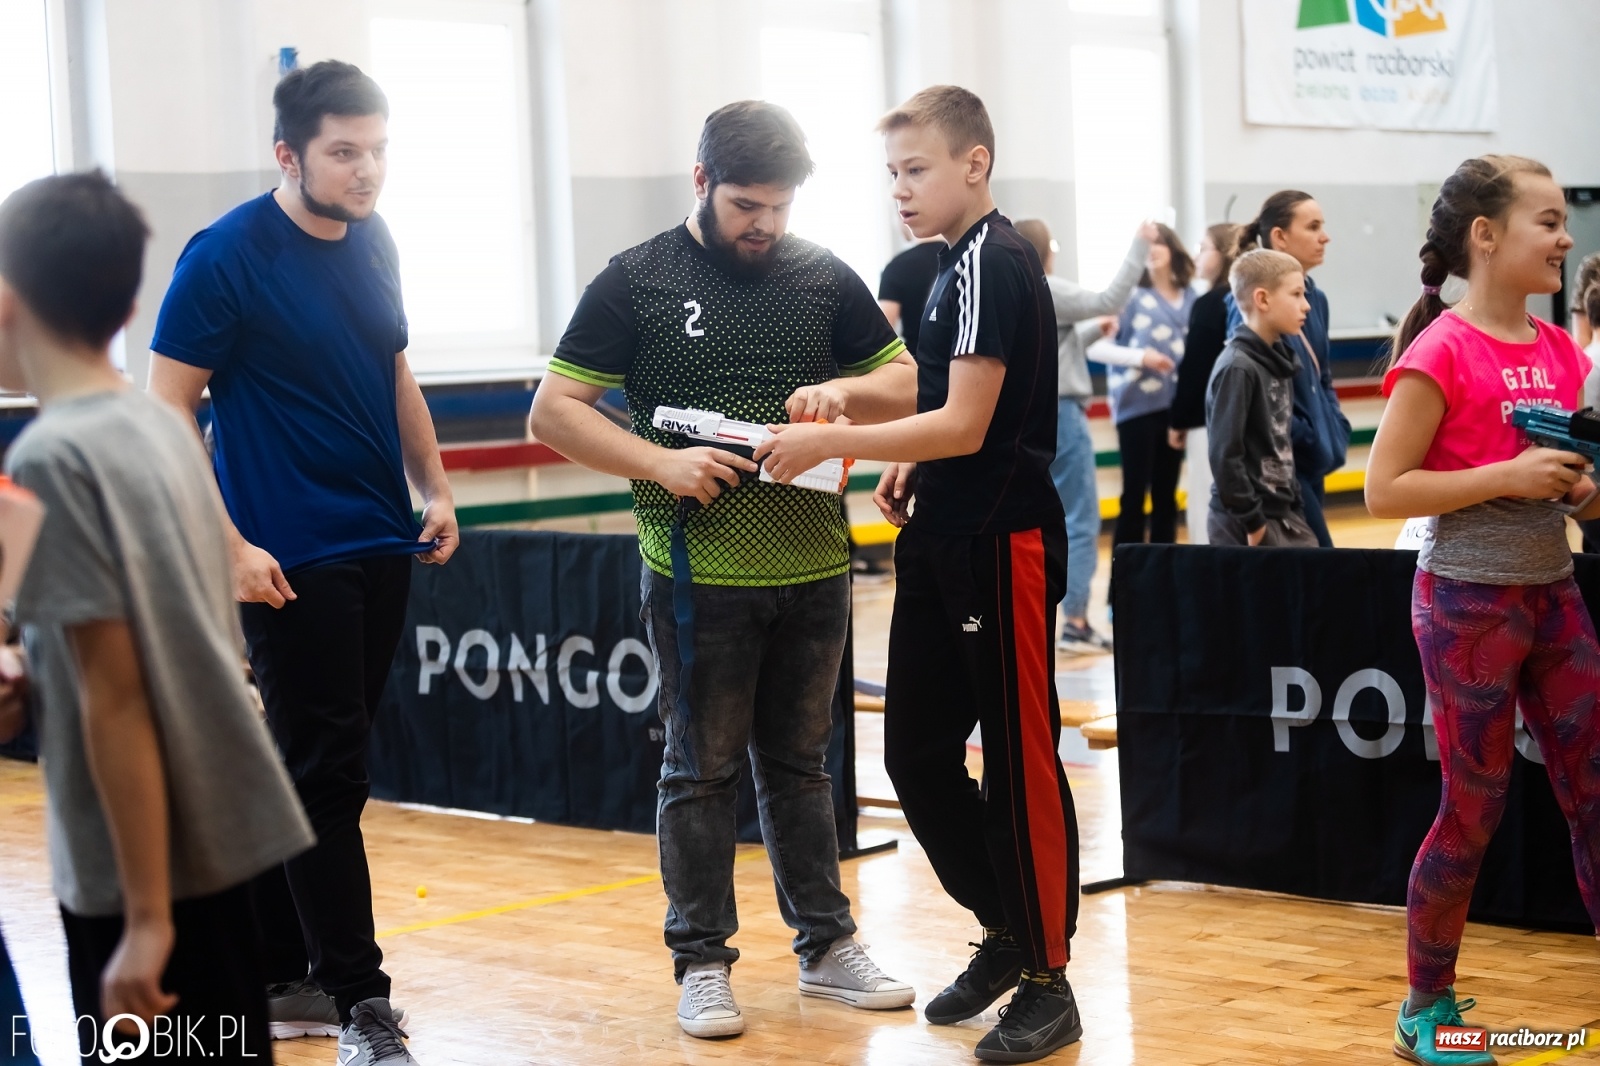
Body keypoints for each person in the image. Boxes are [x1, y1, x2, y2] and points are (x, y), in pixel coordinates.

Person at [528, 100, 915, 1040]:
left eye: (779, 208)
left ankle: (826, 947)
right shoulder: (638, 280)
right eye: (747, 205)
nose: (765, 226)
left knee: (803, 766)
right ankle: (701, 962)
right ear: (701, 183)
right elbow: (553, 411)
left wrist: (843, 392)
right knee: (698, 771)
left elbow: (904, 383)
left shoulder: (823, 275)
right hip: (698, 575)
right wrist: (660, 462)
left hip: (818, 563)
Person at [755, 85, 1081, 1064]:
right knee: (916, 756)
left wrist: (834, 441)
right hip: (939, 536)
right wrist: (907, 454)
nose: (899, 190)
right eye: (890, 174)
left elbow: (970, 425)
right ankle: (1010, 929)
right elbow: (945, 412)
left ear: (973, 164)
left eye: (916, 170)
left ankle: (1049, 979)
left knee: (1018, 764)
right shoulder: (943, 269)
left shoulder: (994, 260)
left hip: (1001, 544)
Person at [147, 61, 457, 1065]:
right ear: (290, 155)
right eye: (344, 153)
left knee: (319, 772)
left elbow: (393, 369)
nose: (366, 172)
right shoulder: (226, 255)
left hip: (382, 541)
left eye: (376, 151)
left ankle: (280, 969)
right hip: (288, 556)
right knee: (325, 776)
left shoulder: (376, 242)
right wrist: (227, 544)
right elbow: (165, 412)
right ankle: (361, 998)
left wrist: (437, 485)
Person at [0, 172, 314, 1061]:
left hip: (144, 867)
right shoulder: (163, 427)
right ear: (131, 302)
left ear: (8, 300)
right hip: (216, 836)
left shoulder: (58, 456)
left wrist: (143, 921)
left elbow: (121, 695)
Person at [1365, 154, 1600, 1066]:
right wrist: (1507, 476)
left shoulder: (1560, 352)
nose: (1566, 235)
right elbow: (1386, 489)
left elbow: (1575, 490)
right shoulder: (1441, 351)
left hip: (1555, 593)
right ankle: (1425, 1008)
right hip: (1467, 604)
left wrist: (1579, 496)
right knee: (1475, 805)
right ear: (1487, 236)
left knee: (1595, 793)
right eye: (1548, 220)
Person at [1013, 218, 1154, 653]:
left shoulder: (1016, 290)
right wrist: (1139, 245)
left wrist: (1095, 329)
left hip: (1030, 417)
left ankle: (1052, 618)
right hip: (1063, 415)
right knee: (1080, 518)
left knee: (1046, 520)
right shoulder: (1046, 284)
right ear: (1047, 250)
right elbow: (1109, 297)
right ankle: (1075, 619)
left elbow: (1056, 345)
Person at [1226, 191, 1349, 547]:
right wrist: (1303, 433)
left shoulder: (1317, 299)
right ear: (1279, 237)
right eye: (1312, 227)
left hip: (1313, 460)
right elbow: (1256, 390)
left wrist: (1332, 425)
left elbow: (1321, 376)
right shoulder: (1252, 302)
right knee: (1318, 563)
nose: (1324, 237)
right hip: (1280, 464)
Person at [1089, 224, 1195, 556]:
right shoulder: (1131, 297)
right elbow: (1095, 348)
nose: (1151, 248)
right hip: (1136, 408)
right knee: (1134, 495)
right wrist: (1141, 357)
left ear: (1172, 249)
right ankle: (1121, 592)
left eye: (1158, 242)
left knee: (1166, 497)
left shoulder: (1193, 297)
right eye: (1145, 243)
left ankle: (1164, 583)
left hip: (1175, 410)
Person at [1205, 249, 1318, 547]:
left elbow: (1279, 444)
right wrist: (1254, 525)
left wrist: (1294, 506)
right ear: (1262, 299)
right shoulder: (1238, 367)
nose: (1306, 306)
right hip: (1244, 523)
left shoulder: (1279, 361)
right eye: (1296, 294)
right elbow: (1225, 455)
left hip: (1282, 513)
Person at [1169, 222, 1244, 544]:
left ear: (1225, 253)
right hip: (1240, 419)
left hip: (1208, 419)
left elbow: (1195, 369)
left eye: (1204, 248)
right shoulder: (1242, 299)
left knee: (1205, 502)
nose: (1196, 255)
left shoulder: (1212, 303)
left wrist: (1178, 420)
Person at [878, 236, 943, 355]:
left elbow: (883, 332)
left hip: (919, 364)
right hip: (965, 363)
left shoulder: (897, 266)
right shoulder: (964, 256)